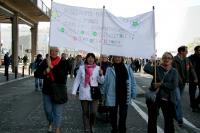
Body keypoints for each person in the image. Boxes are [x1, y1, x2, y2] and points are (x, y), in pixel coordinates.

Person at [144, 52, 178, 133]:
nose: (166, 59)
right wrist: (151, 60)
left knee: (169, 121)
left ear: (171, 60)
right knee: (152, 119)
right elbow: (146, 68)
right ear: (162, 59)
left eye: (169, 58)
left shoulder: (174, 71)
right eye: (164, 57)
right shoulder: (157, 68)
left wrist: (161, 84)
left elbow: (174, 85)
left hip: (168, 98)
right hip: (155, 97)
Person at [103, 56, 137, 133]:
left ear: (122, 58)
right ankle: (114, 129)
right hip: (112, 94)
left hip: (124, 95)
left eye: (119, 57)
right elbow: (105, 83)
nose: (117, 59)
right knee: (113, 115)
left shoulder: (128, 68)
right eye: (116, 57)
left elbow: (133, 81)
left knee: (123, 114)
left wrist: (133, 92)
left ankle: (122, 129)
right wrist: (103, 94)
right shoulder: (109, 69)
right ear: (113, 58)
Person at [72, 53, 104, 133]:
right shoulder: (82, 68)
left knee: (93, 112)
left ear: (94, 59)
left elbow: (101, 81)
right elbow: (77, 80)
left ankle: (92, 125)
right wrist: (74, 92)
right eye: (89, 58)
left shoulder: (98, 68)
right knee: (85, 112)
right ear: (86, 59)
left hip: (94, 93)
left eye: (92, 58)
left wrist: (101, 75)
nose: (90, 59)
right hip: (84, 93)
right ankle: (86, 127)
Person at [39, 47, 69, 133]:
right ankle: (50, 121)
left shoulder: (62, 62)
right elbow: (37, 73)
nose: (53, 53)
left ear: (58, 52)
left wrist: (51, 66)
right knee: (48, 111)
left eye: (56, 51)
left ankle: (57, 128)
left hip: (58, 91)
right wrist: (45, 71)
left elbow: (62, 75)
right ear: (49, 51)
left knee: (58, 112)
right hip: (47, 91)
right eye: (51, 51)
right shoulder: (45, 61)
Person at [172, 46, 197, 126]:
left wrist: (195, 78)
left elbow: (192, 69)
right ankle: (179, 119)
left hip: (183, 83)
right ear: (181, 52)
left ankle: (172, 112)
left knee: (176, 100)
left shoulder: (187, 59)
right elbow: (174, 71)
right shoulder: (174, 60)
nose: (187, 52)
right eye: (186, 51)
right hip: (175, 83)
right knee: (178, 100)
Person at [188, 45, 200, 112]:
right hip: (193, 78)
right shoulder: (190, 58)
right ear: (195, 51)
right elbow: (191, 69)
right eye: (199, 50)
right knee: (192, 93)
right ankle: (194, 106)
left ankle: (195, 104)